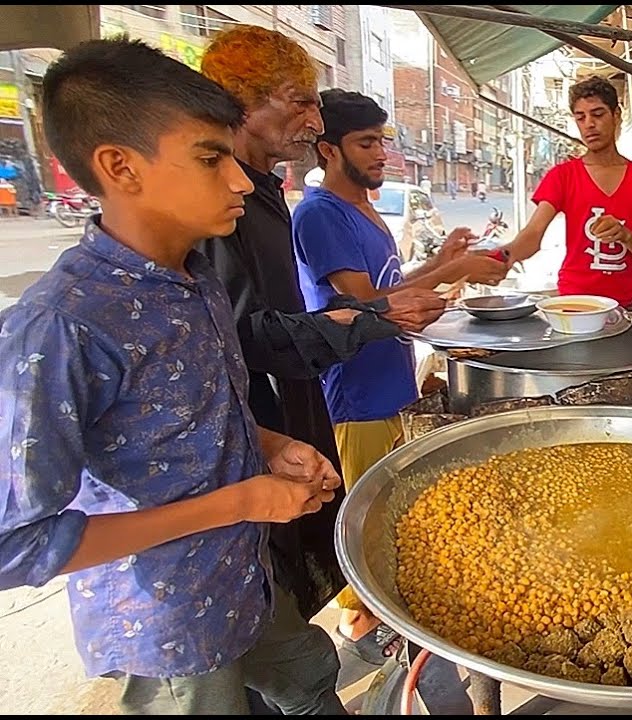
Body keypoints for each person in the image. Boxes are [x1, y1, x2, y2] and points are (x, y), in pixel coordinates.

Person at [0, 38, 345, 714]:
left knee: (308, 680)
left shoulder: (193, 279)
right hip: (168, 622)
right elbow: (15, 543)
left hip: (246, 577)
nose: (242, 180)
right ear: (119, 166)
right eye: (210, 159)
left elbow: (190, 412)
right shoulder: (63, 325)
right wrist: (244, 502)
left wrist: (270, 445)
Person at [197, 26, 445, 661]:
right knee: (288, 582)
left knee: (318, 544)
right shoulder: (239, 208)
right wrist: (377, 318)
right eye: (297, 101)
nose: (311, 118)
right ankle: (355, 624)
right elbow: (252, 336)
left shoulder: (264, 194)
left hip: (292, 414)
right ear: (240, 105)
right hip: (270, 426)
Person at [292, 89, 507, 662]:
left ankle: (381, 614)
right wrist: (452, 271)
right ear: (327, 150)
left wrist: (444, 261)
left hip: (391, 380)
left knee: (391, 506)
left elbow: (392, 283)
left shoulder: (364, 209)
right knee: (360, 513)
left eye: (383, 140)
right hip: (355, 392)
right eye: (366, 142)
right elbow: (365, 305)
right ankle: (360, 626)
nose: (381, 152)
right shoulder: (319, 214)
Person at [505, 76, 632, 311]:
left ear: (616, 115)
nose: (589, 124)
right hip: (574, 304)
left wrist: (625, 235)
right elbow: (533, 233)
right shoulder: (563, 175)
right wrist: (503, 256)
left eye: (598, 114)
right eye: (580, 117)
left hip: (623, 306)